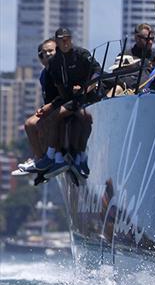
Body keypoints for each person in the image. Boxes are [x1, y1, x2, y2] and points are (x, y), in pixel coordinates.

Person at [29, 27, 100, 178]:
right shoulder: (54, 62)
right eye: (61, 40)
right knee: (53, 117)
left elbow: (97, 72)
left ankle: (80, 158)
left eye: (67, 39)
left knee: (84, 118)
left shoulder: (81, 54)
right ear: (58, 42)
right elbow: (60, 88)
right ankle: (52, 157)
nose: (65, 42)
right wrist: (55, 104)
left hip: (87, 96)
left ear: (71, 39)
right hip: (70, 99)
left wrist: (85, 88)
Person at [17, 39, 58, 171]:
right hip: (52, 107)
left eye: (51, 51)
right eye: (42, 54)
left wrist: (50, 107)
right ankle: (40, 160)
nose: (46, 55)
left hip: (63, 106)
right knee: (29, 124)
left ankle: (48, 158)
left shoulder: (62, 69)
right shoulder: (43, 75)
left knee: (42, 123)